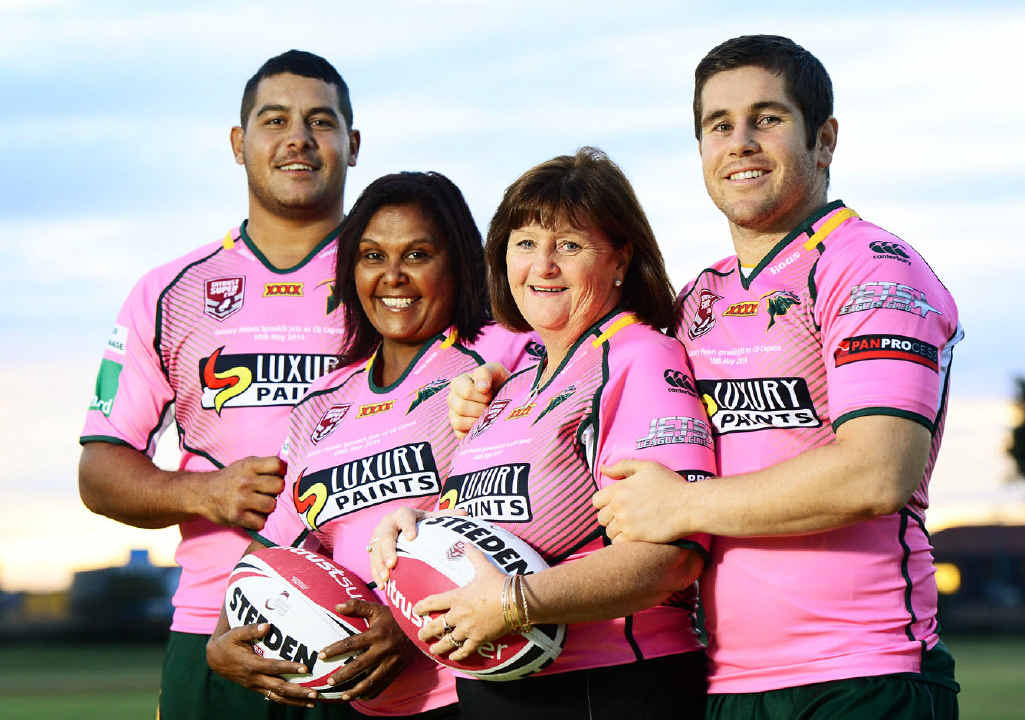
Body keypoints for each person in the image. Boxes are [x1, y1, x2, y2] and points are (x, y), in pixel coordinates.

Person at [448, 35, 962, 720]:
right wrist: (491, 374)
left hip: (863, 671)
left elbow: (876, 473)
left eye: (766, 118)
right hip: (725, 684)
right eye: (719, 125)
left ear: (824, 139)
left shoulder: (868, 266)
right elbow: (585, 331)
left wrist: (684, 508)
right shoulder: (700, 301)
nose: (740, 142)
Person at [372, 148, 717, 719]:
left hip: (607, 686)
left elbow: (671, 558)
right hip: (498, 688)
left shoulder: (640, 358)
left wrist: (514, 603)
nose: (544, 265)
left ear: (620, 260)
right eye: (525, 243)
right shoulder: (512, 381)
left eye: (570, 246)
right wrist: (416, 527)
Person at [78, 50, 362, 719]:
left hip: (376, 629)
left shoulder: (399, 281)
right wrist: (203, 491)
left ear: (353, 145)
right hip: (219, 627)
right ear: (240, 144)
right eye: (275, 120)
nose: (298, 137)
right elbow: (99, 469)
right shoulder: (168, 292)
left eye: (321, 121)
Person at [207, 171, 536, 718]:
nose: (392, 277)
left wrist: (410, 623)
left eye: (417, 254)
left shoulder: (504, 351)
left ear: (457, 260)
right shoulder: (324, 398)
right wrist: (221, 639)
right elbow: (275, 543)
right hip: (364, 703)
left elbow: (533, 511)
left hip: (478, 689)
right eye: (371, 256)